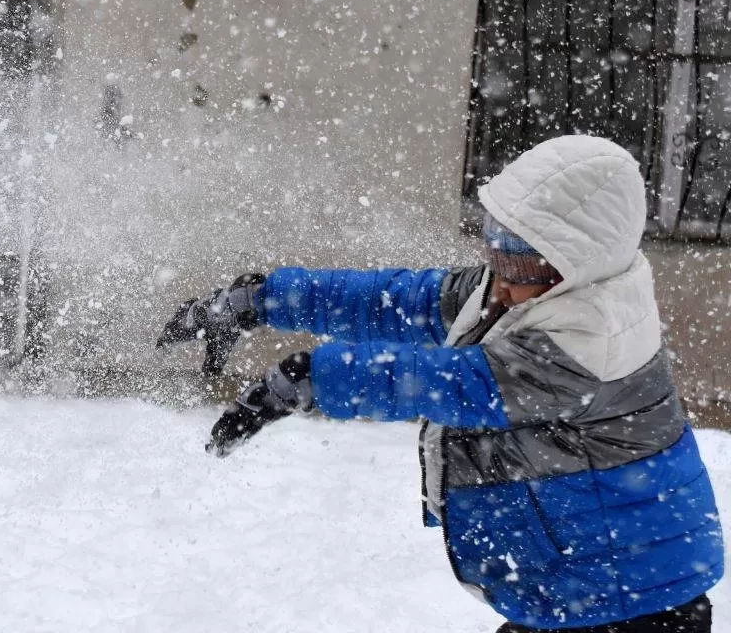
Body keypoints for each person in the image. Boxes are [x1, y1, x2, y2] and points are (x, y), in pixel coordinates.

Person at [159, 135, 723, 632]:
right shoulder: (536, 290)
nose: (500, 282)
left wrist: (309, 377)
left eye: (521, 267)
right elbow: (398, 301)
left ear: (577, 262)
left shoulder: (588, 339)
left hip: (633, 600)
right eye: (496, 250)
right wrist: (259, 300)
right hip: (588, 581)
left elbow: (450, 383)